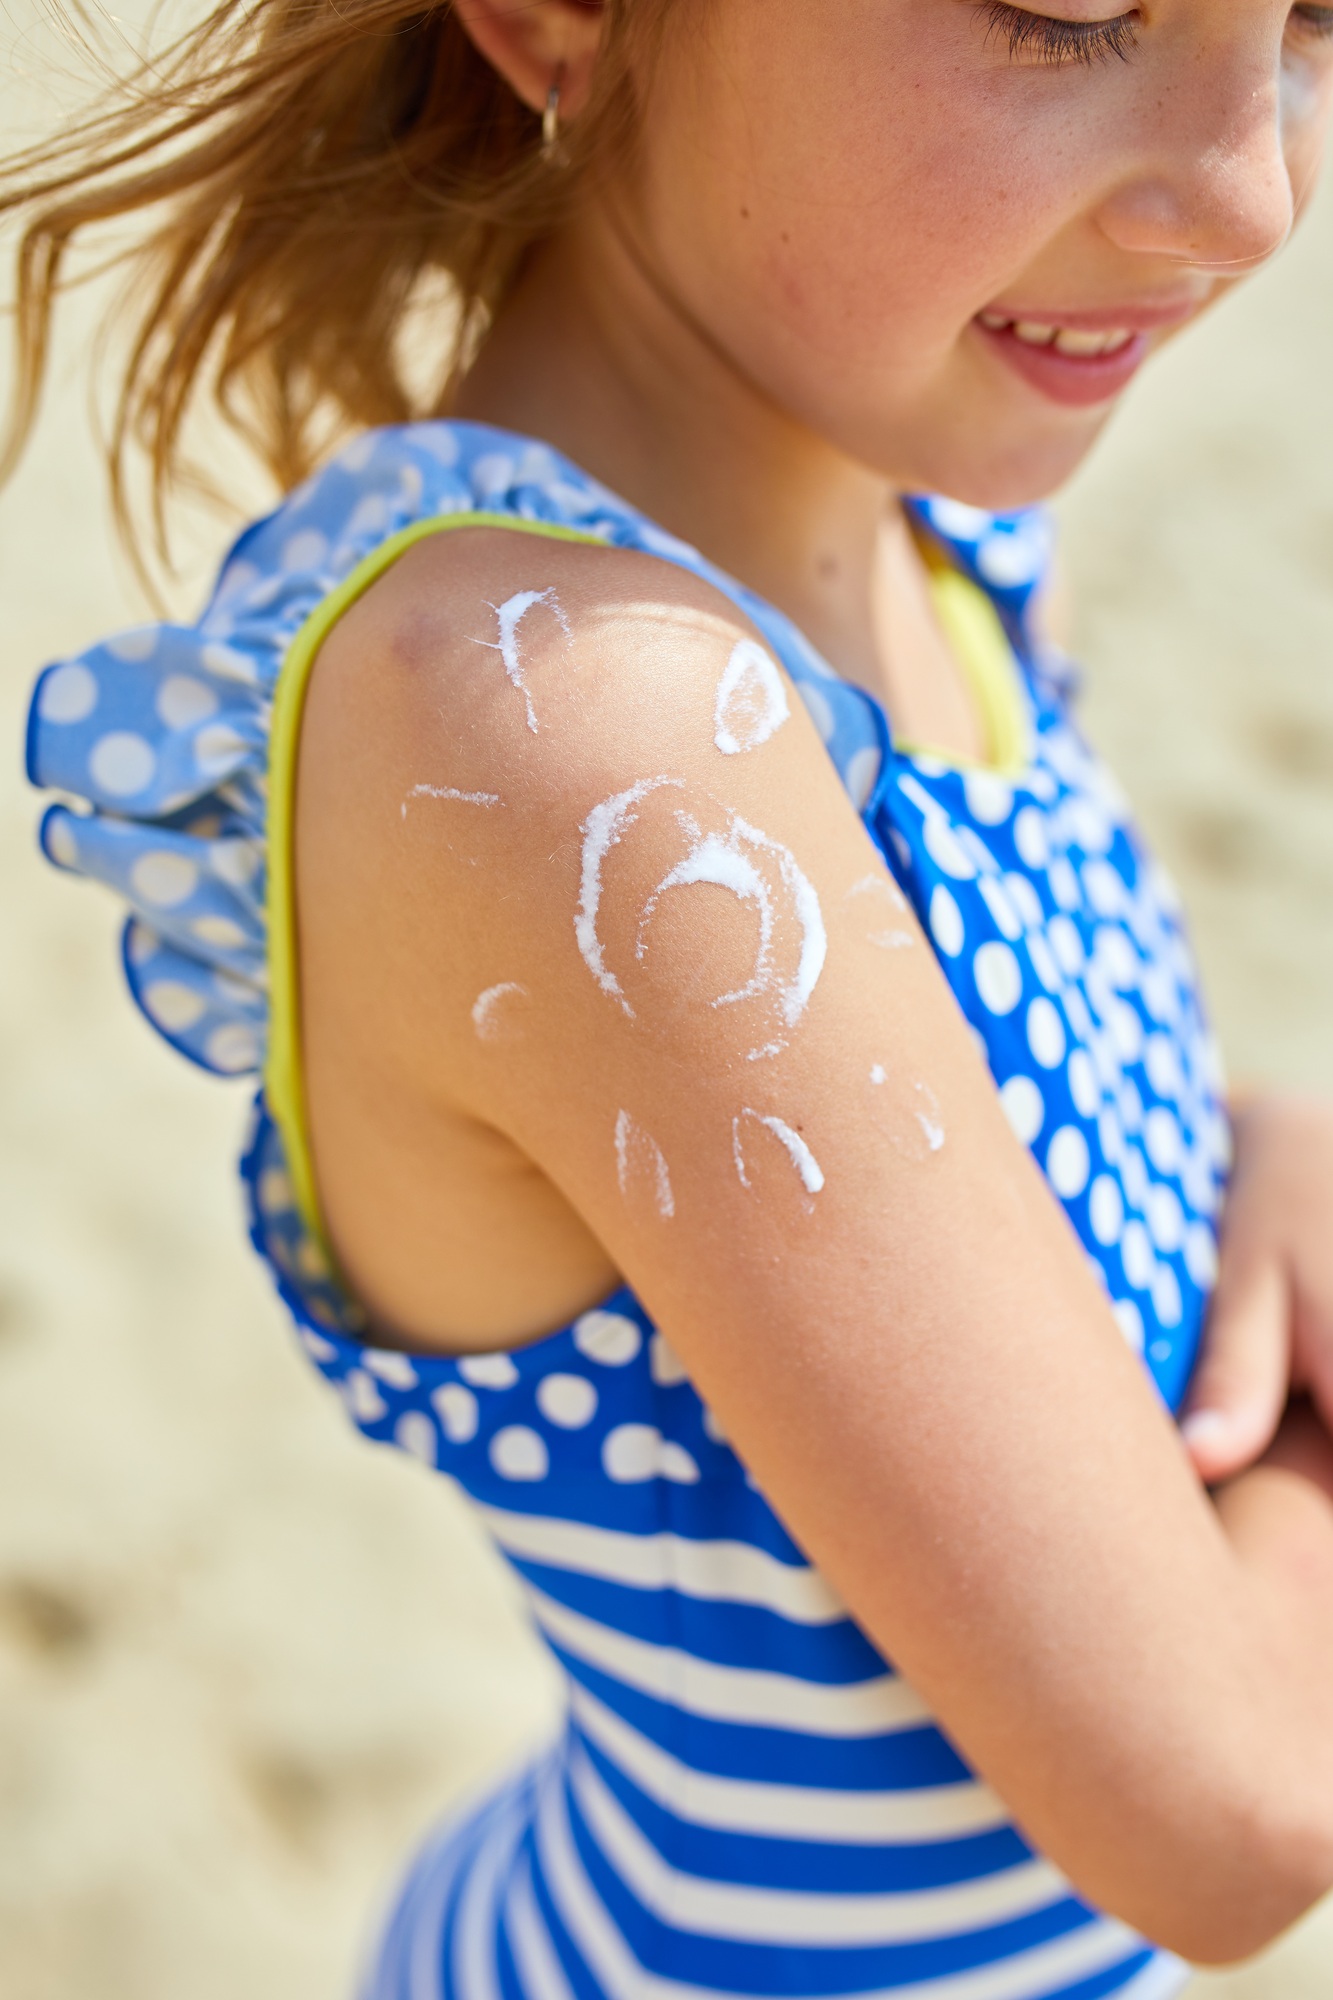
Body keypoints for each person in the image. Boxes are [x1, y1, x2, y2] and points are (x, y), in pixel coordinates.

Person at [9, 1, 1333, 1994]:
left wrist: (1257, 1152)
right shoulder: (577, 721)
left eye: (1314, 12)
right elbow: (1230, 1816)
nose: (1253, 195)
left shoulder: (932, 514)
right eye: (1069, 10)